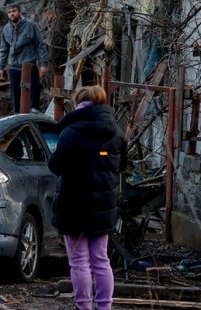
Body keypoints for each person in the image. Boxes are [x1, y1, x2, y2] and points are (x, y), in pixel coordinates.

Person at [48, 85, 127, 310]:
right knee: (101, 260)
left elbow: (55, 166)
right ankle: (104, 307)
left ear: (79, 103)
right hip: (103, 206)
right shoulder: (116, 132)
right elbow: (121, 166)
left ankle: (83, 306)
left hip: (73, 205)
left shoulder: (71, 132)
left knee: (79, 261)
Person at [0, 3, 49, 114]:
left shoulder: (31, 25)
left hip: (29, 66)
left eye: (14, 11)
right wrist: (1, 67)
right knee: (15, 97)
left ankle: (34, 117)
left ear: (20, 12)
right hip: (13, 68)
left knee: (33, 97)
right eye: (9, 12)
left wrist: (43, 64)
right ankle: (18, 118)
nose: (12, 14)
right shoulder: (6, 29)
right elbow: (3, 49)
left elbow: (41, 45)